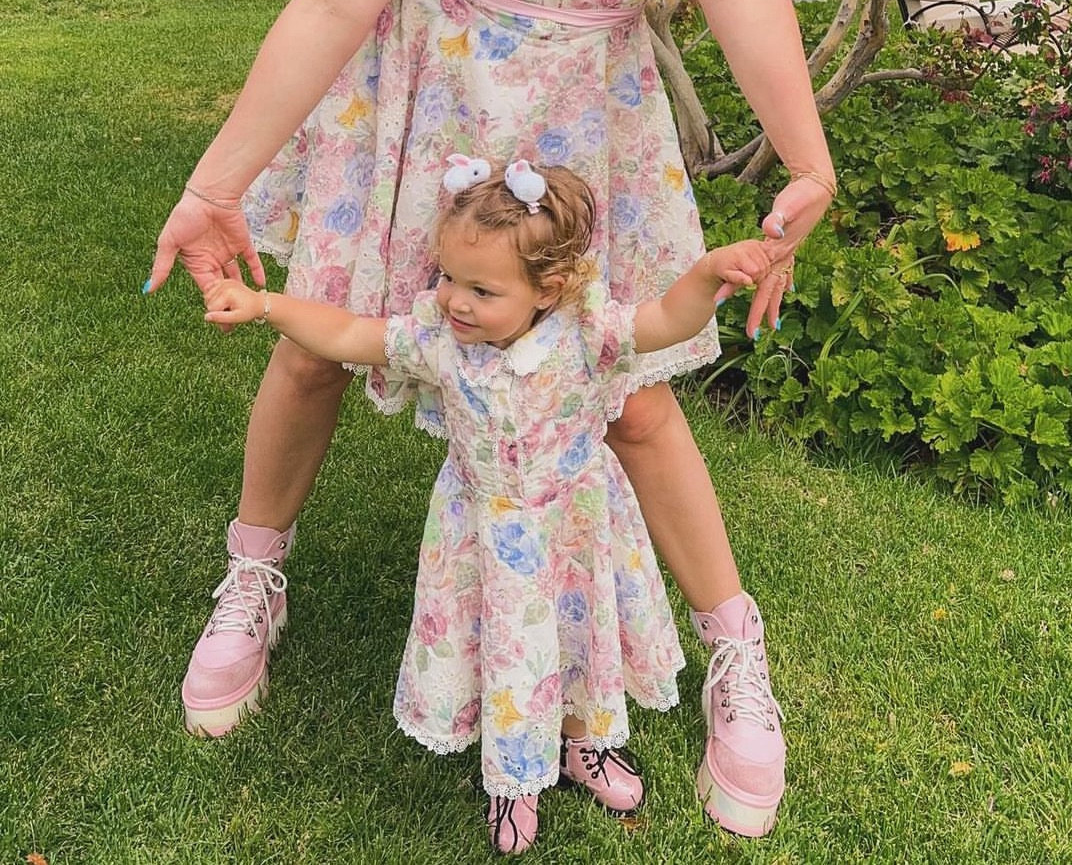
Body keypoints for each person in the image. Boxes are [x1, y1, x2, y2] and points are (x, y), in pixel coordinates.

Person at [147, 0, 836, 838]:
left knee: (630, 400)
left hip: (593, 120)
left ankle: (734, 654)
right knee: (311, 351)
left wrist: (807, 157)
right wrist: (216, 182)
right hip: (431, 103)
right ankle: (253, 579)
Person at [204, 156, 778, 855]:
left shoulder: (588, 333)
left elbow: (665, 319)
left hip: (573, 525)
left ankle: (585, 741)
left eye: (481, 289)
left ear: (549, 288)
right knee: (509, 647)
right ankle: (514, 778)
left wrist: (709, 273)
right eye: (448, 277)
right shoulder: (439, 342)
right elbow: (350, 334)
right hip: (485, 531)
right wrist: (267, 306)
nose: (455, 300)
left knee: (577, 634)